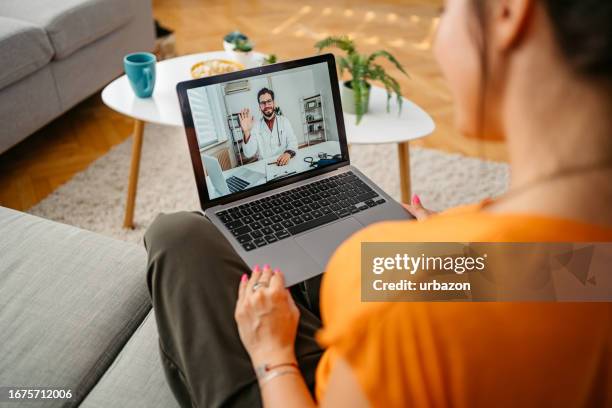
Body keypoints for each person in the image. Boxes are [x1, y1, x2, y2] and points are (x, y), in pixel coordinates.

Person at [144, 0, 612, 406]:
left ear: (509, 12)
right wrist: (448, 236)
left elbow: (428, 310)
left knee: (175, 237)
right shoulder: (584, 250)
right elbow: (552, 276)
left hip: (316, 381)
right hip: (416, 325)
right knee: (297, 266)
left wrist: (272, 357)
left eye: (444, 10)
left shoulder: (402, 312)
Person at [238, 88, 298, 166]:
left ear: (274, 103)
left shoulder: (284, 121)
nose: (266, 105)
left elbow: (293, 142)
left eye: (269, 101)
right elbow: (249, 153)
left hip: (284, 162)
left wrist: (288, 154)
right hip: (265, 166)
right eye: (263, 103)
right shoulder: (255, 126)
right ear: (259, 107)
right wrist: (246, 132)